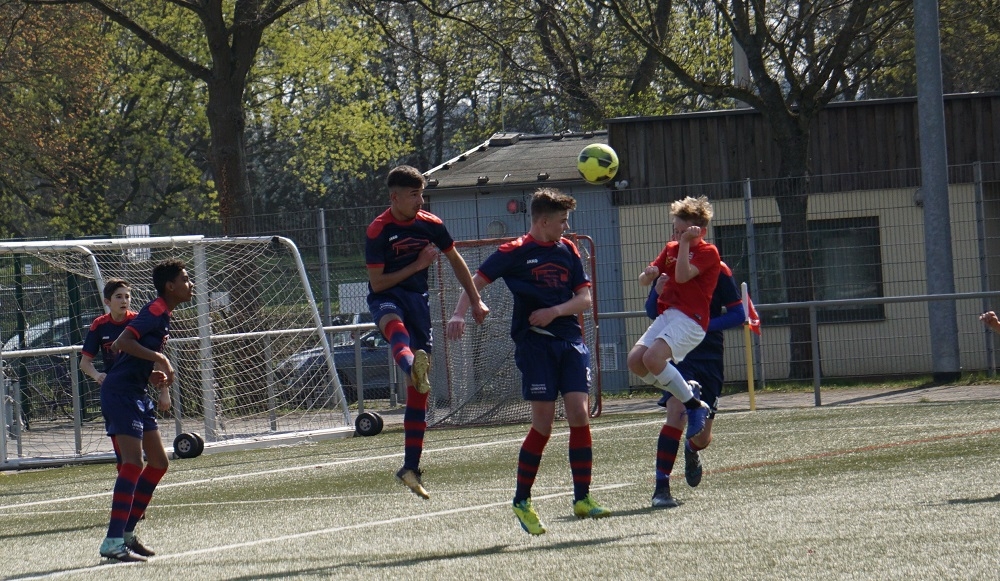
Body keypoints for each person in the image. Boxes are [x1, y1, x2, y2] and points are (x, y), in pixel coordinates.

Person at [447, 187, 611, 535]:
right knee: (543, 424)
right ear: (543, 221)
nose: (566, 227)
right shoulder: (515, 251)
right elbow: (474, 282)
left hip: (570, 341)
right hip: (535, 346)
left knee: (579, 414)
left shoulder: (568, 250)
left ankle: (582, 498)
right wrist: (462, 312)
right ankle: (522, 500)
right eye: (562, 221)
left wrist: (554, 311)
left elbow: (584, 299)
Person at [366, 165, 488, 499]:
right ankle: (411, 366)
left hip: (418, 302)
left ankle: (410, 468)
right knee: (395, 328)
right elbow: (378, 283)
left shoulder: (430, 224)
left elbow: (456, 259)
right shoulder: (378, 230)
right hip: (388, 296)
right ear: (395, 197)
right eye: (414, 195)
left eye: (422, 194)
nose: (421, 201)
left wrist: (475, 299)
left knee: (418, 393)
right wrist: (419, 265)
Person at [625, 195, 720, 508]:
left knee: (653, 360)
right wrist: (650, 277)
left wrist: (684, 245)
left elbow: (681, 276)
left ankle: (693, 404)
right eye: (674, 231)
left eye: (681, 231)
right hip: (669, 318)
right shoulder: (671, 248)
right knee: (636, 361)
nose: (675, 236)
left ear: (698, 230)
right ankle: (689, 394)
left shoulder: (708, 252)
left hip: (691, 322)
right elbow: (645, 280)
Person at [97, 259, 193, 562]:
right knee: (132, 463)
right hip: (120, 393)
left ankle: (126, 534)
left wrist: (149, 373)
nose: (190, 284)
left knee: (159, 463)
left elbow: (130, 355)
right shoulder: (154, 310)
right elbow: (121, 343)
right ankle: (112, 541)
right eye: (185, 279)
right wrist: (161, 359)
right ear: (170, 286)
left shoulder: (163, 313)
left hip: (137, 392)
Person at [644, 261, 745, 507]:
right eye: (678, 238)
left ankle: (691, 449)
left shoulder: (718, 269)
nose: (681, 242)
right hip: (678, 351)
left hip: (709, 356)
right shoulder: (667, 267)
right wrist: (656, 291)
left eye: (685, 238)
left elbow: (738, 314)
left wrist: (703, 325)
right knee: (676, 413)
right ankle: (661, 490)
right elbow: (652, 311)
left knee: (702, 438)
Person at [81, 278, 137, 471]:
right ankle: (124, 475)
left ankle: (132, 477)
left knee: (141, 449)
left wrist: (163, 390)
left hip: (137, 390)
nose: (124, 301)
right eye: (118, 297)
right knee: (122, 451)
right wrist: (97, 375)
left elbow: (154, 357)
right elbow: (84, 363)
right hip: (113, 392)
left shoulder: (138, 322)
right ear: (107, 301)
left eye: (127, 296)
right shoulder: (100, 325)